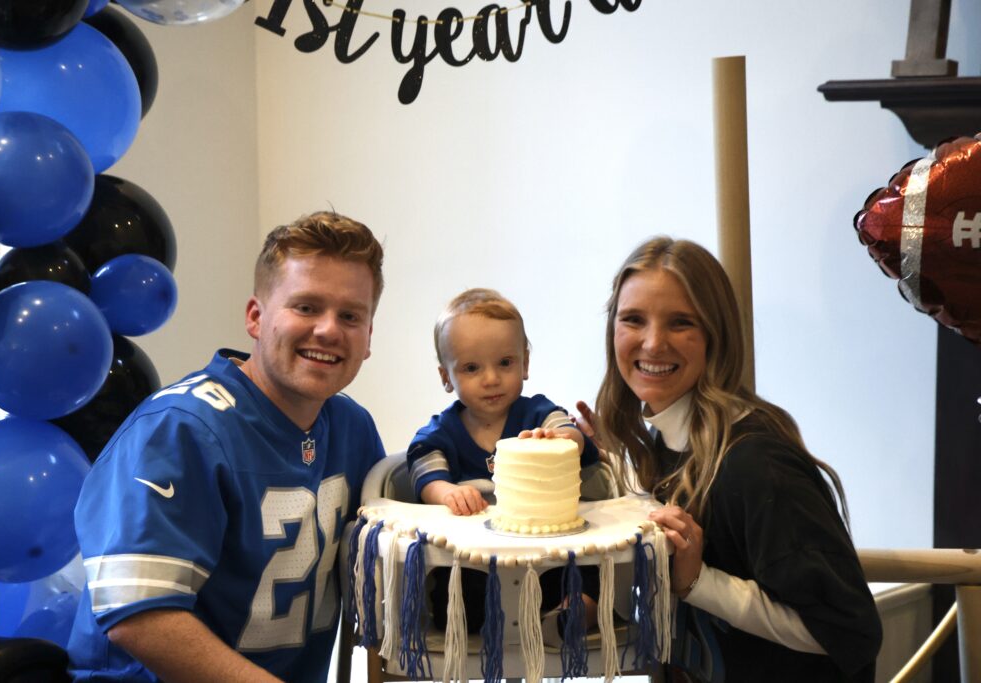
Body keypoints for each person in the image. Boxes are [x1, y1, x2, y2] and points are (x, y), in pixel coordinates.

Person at [67, 212, 387, 683]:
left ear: (368, 338)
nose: (327, 330)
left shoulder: (352, 428)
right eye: (305, 307)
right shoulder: (179, 429)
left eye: (350, 316)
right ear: (256, 318)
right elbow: (140, 620)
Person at [577, 236, 881, 682]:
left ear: (716, 334)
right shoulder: (667, 443)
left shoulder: (756, 465)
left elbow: (850, 632)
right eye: (633, 320)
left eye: (681, 322)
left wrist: (697, 582)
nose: (653, 342)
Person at [406, 287, 601, 641]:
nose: (492, 378)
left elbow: (571, 434)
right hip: (478, 566)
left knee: (585, 565)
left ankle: (576, 611)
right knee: (459, 581)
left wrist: (559, 440)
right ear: (446, 377)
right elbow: (424, 471)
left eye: (505, 363)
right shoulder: (441, 433)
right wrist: (447, 492)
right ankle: (467, 621)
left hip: (545, 559)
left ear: (525, 363)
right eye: (471, 368)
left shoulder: (538, 413)